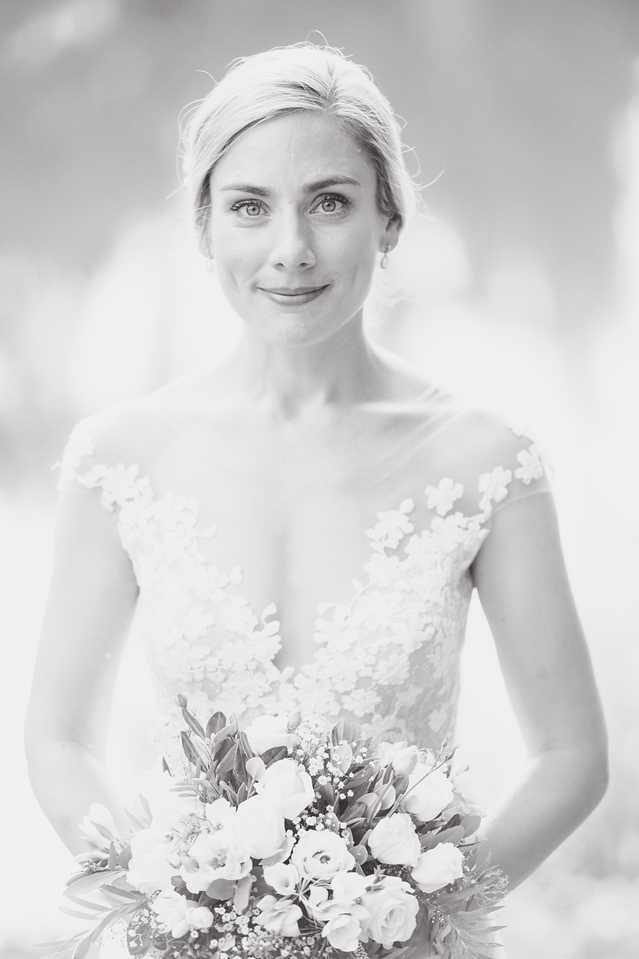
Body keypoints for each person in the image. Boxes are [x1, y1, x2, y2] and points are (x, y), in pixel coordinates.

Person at [24, 41, 608, 958]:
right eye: (250, 206)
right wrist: (169, 901)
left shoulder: (486, 459)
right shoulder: (117, 457)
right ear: (204, 225)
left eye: (329, 203)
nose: (290, 251)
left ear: (389, 218)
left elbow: (572, 758)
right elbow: (58, 736)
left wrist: (420, 913)